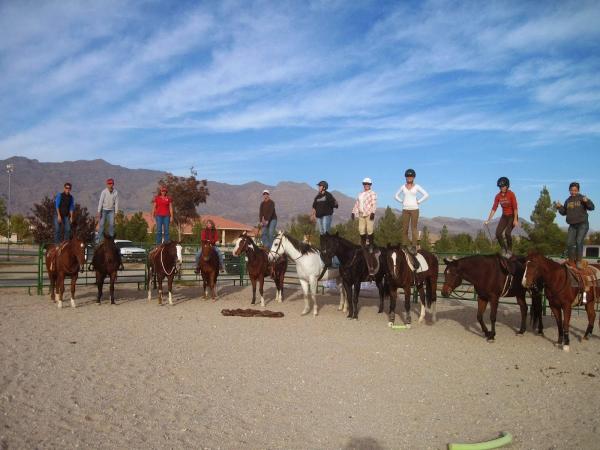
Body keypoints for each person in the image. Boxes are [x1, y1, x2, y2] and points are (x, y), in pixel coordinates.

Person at [555, 182, 595, 268]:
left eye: (575, 190)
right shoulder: (568, 200)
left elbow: (592, 207)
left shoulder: (582, 198)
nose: (573, 192)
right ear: (569, 190)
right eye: (571, 190)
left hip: (582, 224)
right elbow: (564, 212)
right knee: (569, 243)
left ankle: (579, 261)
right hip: (572, 225)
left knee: (578, 241)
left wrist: (587, 201)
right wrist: (559, 207)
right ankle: (571, 260)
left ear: (578, 190)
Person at [395, 168, 429, 252]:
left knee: (413, 228)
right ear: (405, 177)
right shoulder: (403, 187)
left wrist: (419, 201)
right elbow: (395, 195)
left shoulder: (417, 186)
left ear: (413, 177)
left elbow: (426, 195)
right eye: (407, 176)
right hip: (405, 209)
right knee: (405, 228)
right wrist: (401, 201)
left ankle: (414, 246)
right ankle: (404, 245)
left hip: (415, 209)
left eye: (411, 176)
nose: (409, 178)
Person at [484, 177, 518, 257]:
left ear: (507, 186)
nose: (501, 188)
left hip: (512, 215)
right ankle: (503, 248)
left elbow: (515, 207)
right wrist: (488, 220)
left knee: (507, 233)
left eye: (503, 186)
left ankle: (509, 250)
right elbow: (494, 208)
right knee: (498, 233)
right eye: (500, 187)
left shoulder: (511, 194)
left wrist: (515, 219)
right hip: (504, 216)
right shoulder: (498, 196)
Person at [352, 178, 377, 247]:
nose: (366, 185)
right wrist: (353, 212)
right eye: (365, 184)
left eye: (368, 184)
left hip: (369, 213)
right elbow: (357, 203)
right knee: (361, 230)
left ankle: (371, 245)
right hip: (361, 214)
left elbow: (374, 203)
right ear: (363, 184)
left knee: (369, 229)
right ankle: (363, 244)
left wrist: (373, 212)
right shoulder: (360, 194)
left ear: (370, 185)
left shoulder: (372, 193)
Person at [96, 178, 119, 243]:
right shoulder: (104, 192)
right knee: (102, 225)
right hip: (104, 210)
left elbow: (116, 202)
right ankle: (98, 239)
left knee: (112, 224)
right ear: (107, 185)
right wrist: (99, 211)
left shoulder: (115, 192)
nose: (110, 185)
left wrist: (116, 212)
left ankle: (111, 239)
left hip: (111, 211)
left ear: (113, 184)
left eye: (111, 183)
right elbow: (101, 201)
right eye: (109, 184)